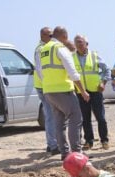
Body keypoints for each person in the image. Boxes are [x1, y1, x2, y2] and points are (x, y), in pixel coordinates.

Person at [36, 26, 90, 160]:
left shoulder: (43, 50)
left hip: (49, 91)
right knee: (76, 118)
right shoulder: (60, 48)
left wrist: (48, 85)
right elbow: (73, 73)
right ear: (64, 36)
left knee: (59, 123)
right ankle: (77, 153)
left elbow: (40, 71)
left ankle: (65, 153)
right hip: (63, 90)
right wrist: (83, 91)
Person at [73, 34, 110, 150]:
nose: (78, 44)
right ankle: (89, 141)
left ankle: (104, 140)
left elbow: (106, 70)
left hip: (95, 91)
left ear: (86, 44)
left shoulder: (94, 55)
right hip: (81, 92)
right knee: (85, 118)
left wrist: (103, 83)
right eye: (76, 42)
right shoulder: (71, 57)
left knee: (101, 117)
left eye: (81, 42)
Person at [33, 27, 58, 156]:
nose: (52, 37)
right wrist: (47, 85)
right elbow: (40, 69)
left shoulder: (46, 48)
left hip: (46, 86)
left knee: (52, 116)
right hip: (44, 87)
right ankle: (53, 145)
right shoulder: (41, 49)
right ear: (43, 35)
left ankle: (52, 144)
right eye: (50, 35)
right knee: (50, 116)